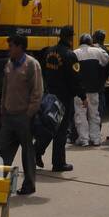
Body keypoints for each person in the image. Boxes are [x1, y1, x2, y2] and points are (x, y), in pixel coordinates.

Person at [0, 34, 42, 194]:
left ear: (20, 47)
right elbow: (5, 89)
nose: (9, 49)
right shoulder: (9, 64)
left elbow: (37, 92)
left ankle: (29, 185)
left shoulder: (31, 65)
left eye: (11, 46)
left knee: (27, 153)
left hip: (24, 117)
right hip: (8, 116)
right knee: (0, 149)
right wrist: (2, 109)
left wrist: (29, 113)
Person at [34, 25, 80, 172]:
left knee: (48, 126)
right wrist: (83, 95)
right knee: (61, 130)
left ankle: (36, 151)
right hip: (64, 98)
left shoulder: (48, 51)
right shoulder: (70, 55)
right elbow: (75, 79)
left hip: (49, 96)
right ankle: (59, 163)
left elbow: (43, 70)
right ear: (70, 37)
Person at [73, 33, 109, 146]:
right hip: (94, 89)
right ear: (90, 42)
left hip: (80, 91)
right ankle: (96, 138)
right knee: (94, 114)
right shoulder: (97, 51)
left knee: (80, 114)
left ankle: (84, 139)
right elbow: (106, 59)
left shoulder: (75, 53)